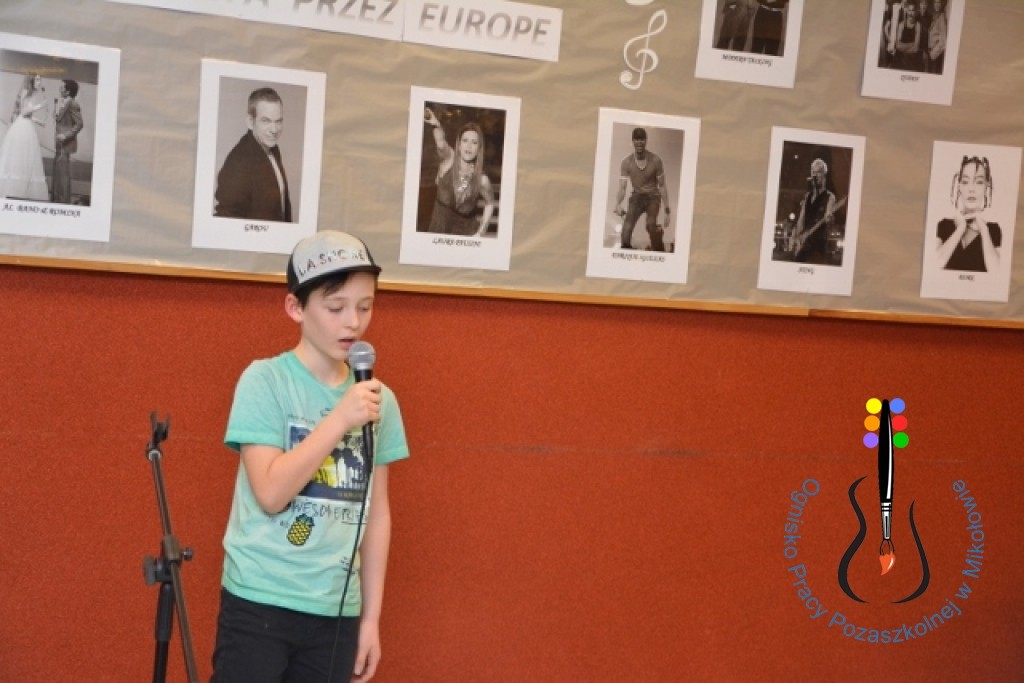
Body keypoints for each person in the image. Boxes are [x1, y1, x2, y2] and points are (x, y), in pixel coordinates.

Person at [211, 230, 410, 682]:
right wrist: (339, 419)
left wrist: (371, 619)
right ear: (295, 307)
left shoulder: (378, 400)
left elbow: (377, 514)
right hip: (260, 599)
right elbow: (270, 493)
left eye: (365, 306)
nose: (353, 323)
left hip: (335, 609)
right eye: (336, 308)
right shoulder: (265, 381)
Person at [214, 87, 293, 222]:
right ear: (250, 122)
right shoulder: (238, 163)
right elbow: (226, 219)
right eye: (266, 121)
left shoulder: (273, 149)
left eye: (278, 121)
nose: (274, 130)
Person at [423, 107, 495, 236]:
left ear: (479, 149)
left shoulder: (482, 180)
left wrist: (480, 232)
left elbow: (490, 203)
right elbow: (441, 144)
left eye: (474, 142)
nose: (469, 146)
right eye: (465, 141)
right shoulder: (449, 160)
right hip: (437, 233)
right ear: (459, 145)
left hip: (465, 236)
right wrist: (436, 125)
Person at [936, 155, 1000, 273]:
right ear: (959, 186)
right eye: (965, 182)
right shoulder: (943, 225)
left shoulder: (993, 230)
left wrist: (984, 230)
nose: (971, 189)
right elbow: (934, 264)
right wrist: (960, 229)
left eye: (979, 182)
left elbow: (996, 271)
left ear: (986, 187)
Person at [615, 127, 670, 251]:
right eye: (636, 139)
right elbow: (622, 188)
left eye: (642, 139)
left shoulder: (655, 160)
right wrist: (617, 204)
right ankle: (626, 253)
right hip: (637, 197)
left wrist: (667, 211)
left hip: (653, 197)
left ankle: (658, 249)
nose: (639, 142)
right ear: (633, 141)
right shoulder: (626, 162)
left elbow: (662, 186)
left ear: (646, 141)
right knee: (626, 229)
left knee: (650, 225)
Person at [0, 74, 49, 201]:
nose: (39, 82)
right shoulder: (25, 91)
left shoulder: (30, 94)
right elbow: (23, 112)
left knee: (26, 157)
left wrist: (39, 122)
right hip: (22, 127)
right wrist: (40, 105)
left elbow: (28, 115)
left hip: (26, 125)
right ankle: (15, 190)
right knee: (21, 157)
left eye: (40, 79)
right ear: (31, 80)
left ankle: (23, 190)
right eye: (37, 79)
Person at [788, 158, 837, 264]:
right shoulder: (807, 196)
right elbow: (801, 221)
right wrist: (794, 237)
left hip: (818, 249)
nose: (815, 175)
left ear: (824, 175)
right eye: (813, 172)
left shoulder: (830, 197)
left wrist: (829, 219)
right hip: (804, 247)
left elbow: (829, 222)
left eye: (818, 172)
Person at [52, 79, 84, 204]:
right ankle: (57, 200)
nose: (59, 89)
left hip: (65, 144)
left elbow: (79, 124)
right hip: (59, 144)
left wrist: (65, 136)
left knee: (63, 175)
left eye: (62, 87)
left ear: (68, 91)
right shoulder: (64, 102)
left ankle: (63, 202)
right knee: (58, 173)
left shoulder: (73, 104)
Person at [892, 1, 923, 71]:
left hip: (912, 60)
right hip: (899, 59)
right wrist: (912, 44)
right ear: (906, 11)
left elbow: (916, 48)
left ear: (915, 12)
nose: (910, 13)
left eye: (913, 10)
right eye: (909, 10)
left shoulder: (918, 25)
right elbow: (897, 45)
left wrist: (903, 47)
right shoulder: (901, 25)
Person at [927, 0, 948, 75]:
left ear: (942, 4)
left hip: (936, 54)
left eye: (939, 2)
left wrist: (933, 53)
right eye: (935, 2)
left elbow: (943, 40)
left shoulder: (941, 17)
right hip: (931, 53)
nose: (937, 4)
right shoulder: (935, 16)